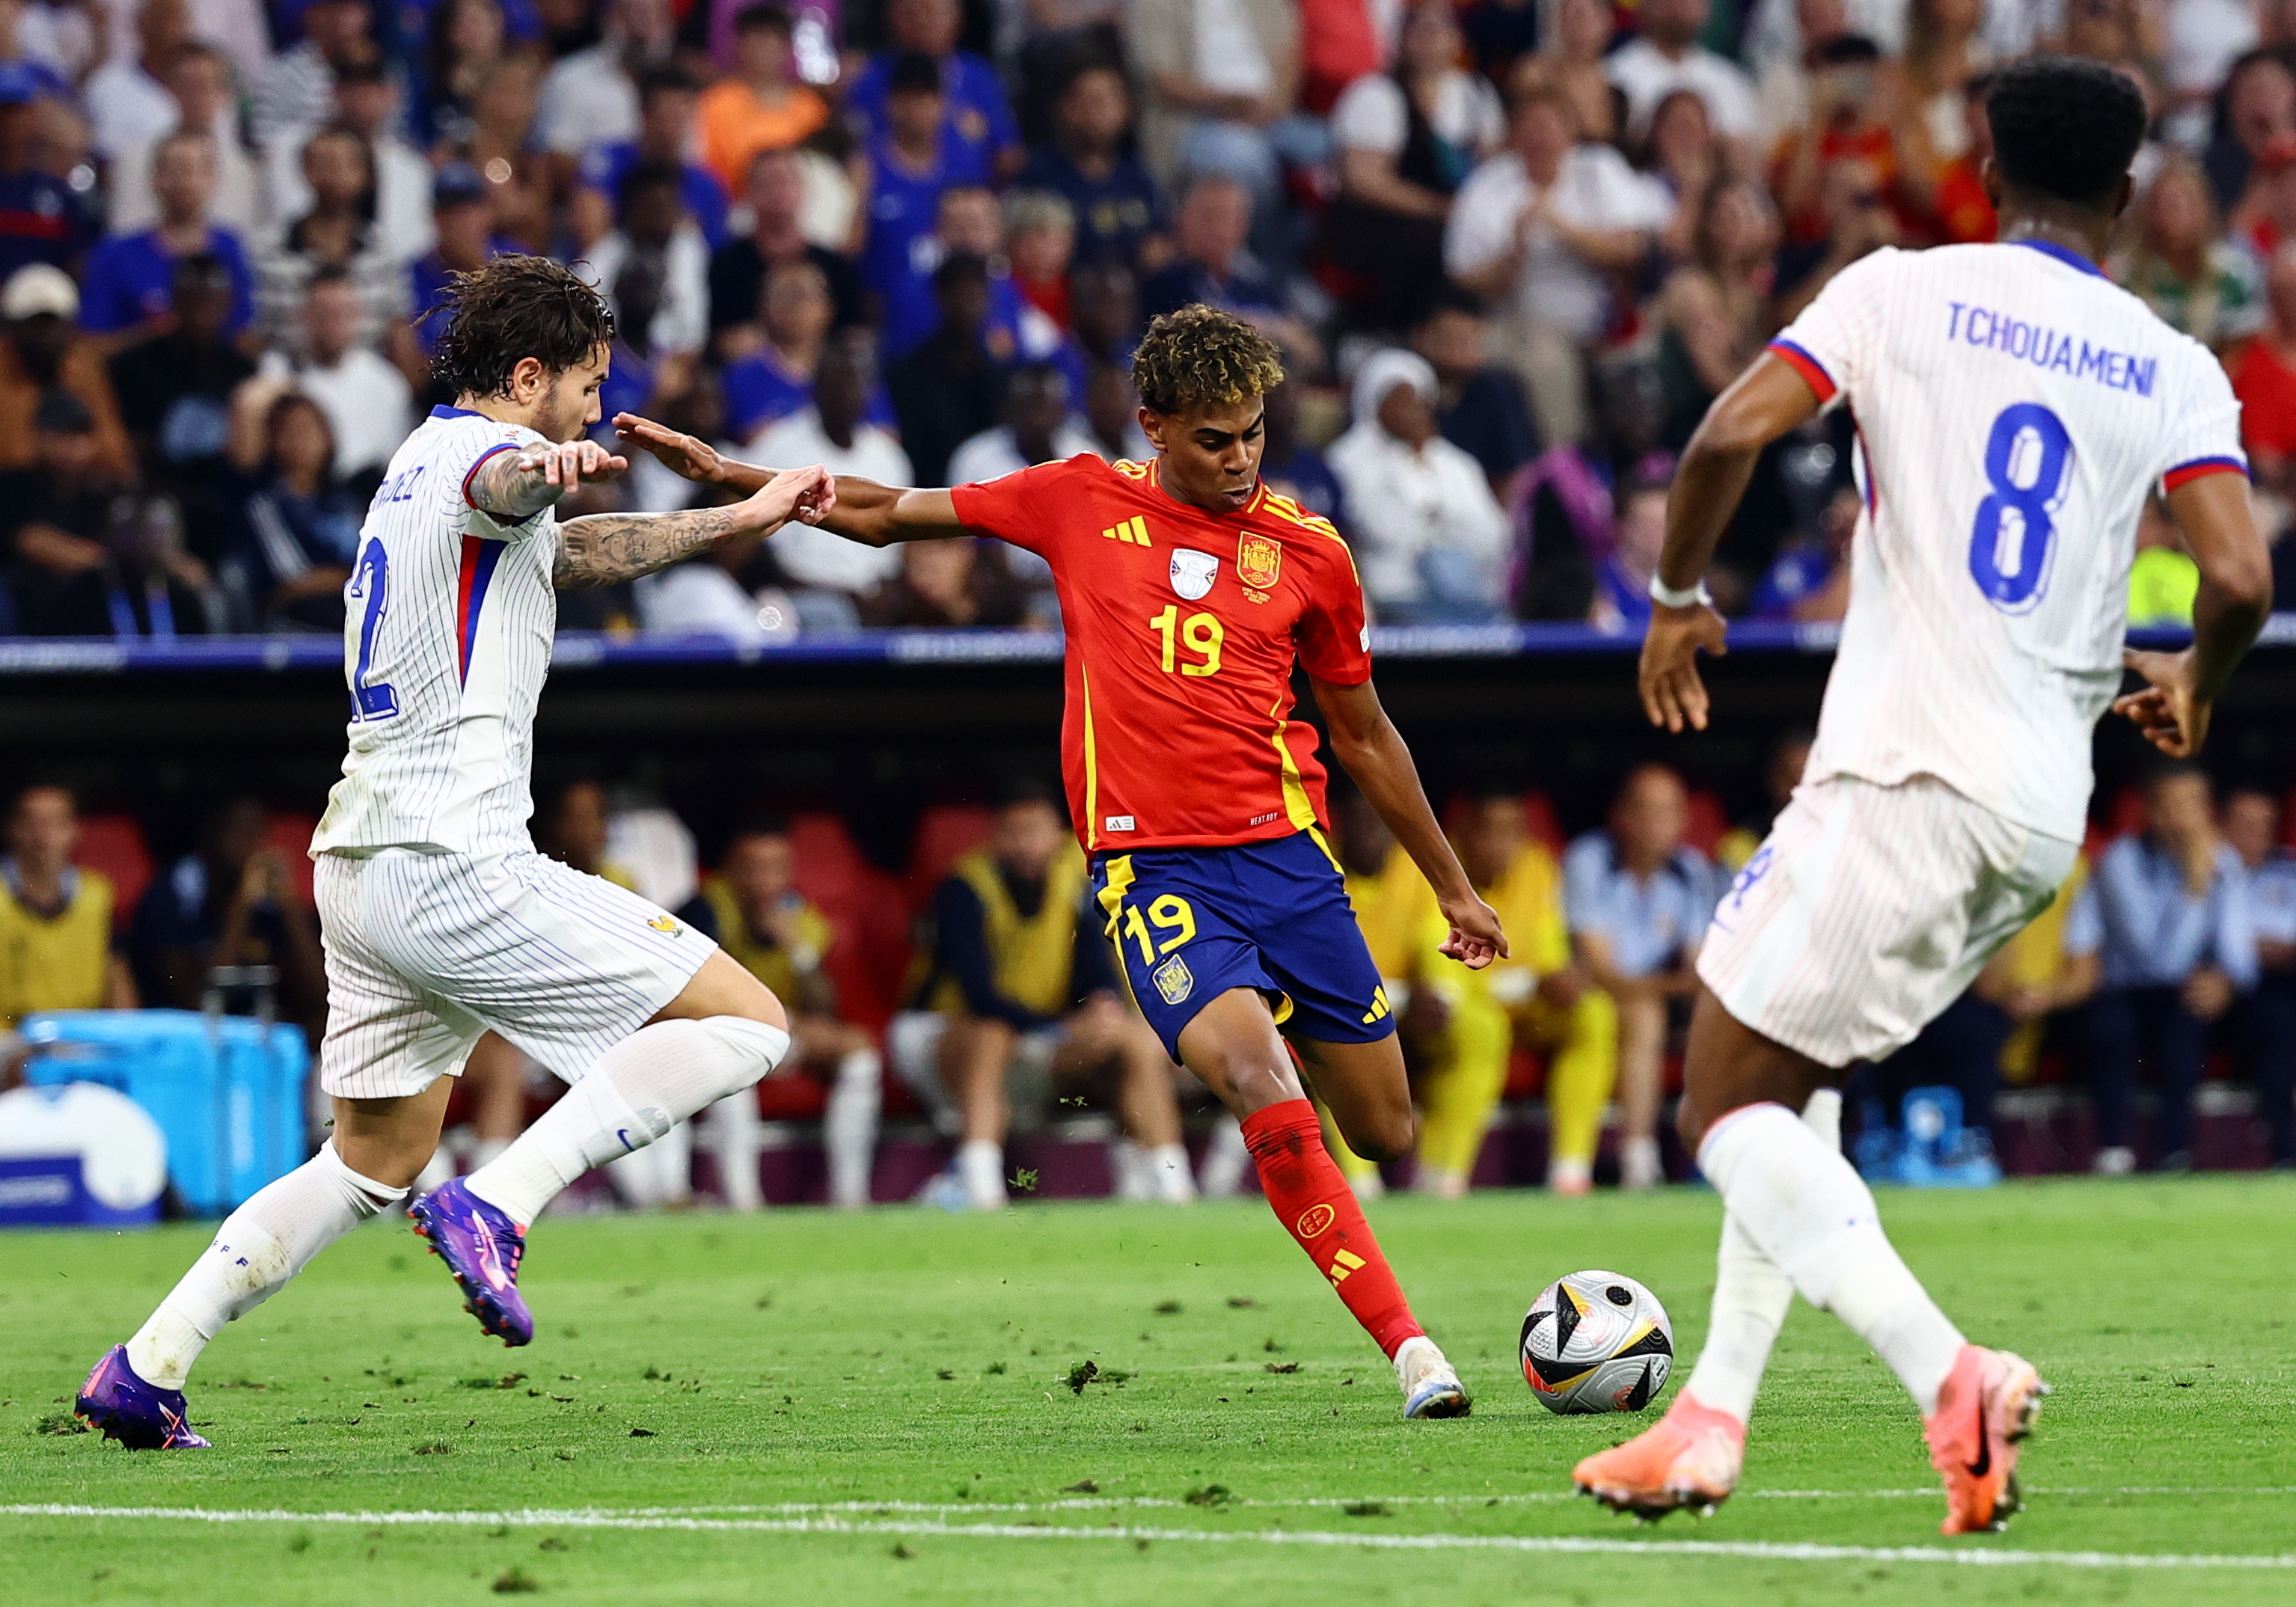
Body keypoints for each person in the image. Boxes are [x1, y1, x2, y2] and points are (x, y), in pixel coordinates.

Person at [1581, 58, 2274, 1533]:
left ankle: (1948, 1375)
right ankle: (1706, 1420)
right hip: (2036, 814)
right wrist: (2196, 682)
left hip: (1901, 769)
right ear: (2130, 196)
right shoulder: (2165, 359)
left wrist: (1674, 595)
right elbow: (2235, 577)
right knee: (1792, 1082)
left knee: (1718, 1097)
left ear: (1980, 161)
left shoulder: (1893, 287)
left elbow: (1720, 435)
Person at [617, 301, 1508, 1419]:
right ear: (1154, 426)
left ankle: (1281, 1059)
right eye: (1212, 440)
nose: (1239, 462)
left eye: (1253, 436)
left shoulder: (1313, 555)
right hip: (1161, 877)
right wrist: (736, 477)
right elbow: (889, 510)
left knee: (1384, 1132)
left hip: (1291, 861)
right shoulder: (1080, 498)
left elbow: (1366, 733)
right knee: (1257, 1082)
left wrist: (1453, 885)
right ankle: (1413, 1350)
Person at [74, 254, 836, 1450]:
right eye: (584, 386)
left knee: (374, 1157)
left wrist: (740, 516)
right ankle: (499, 1202)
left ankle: (148, 1363)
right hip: (455, 857)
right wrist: (549, 463)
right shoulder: (487, 464)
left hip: (364, 871)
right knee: (746, 1025)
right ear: (528, 375)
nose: (596, 408)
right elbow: (516, 481)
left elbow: (561, 549)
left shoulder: (412, 475)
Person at [899, 782, 1194, 1210]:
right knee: (991, 1033)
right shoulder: (964, 887)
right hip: (937, 1034)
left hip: (1034, 1034)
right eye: (1013, 832)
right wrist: (1059, 1026)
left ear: (1057, 833)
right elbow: (978, 996)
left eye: (1036, 831)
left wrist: (1101, 1007)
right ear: (995, 835)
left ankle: (1172, 1183)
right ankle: (980, 1182)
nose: (1026, 845)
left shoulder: (1073, 881)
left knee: (1131, 1039)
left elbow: (1094, 967)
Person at [1404, 791, 1614, 1198]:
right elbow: (1443, 971)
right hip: (1455, 1014)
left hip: (1520, 1007)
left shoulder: (1536, 869)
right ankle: (1442, 1178)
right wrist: (1524, 982)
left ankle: (1571, 1172)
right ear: (1463, 837)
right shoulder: (1439, 873)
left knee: (1594, 1014)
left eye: (1512, 834)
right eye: (1490, 833)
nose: (1502, 846)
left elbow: (1548, 956)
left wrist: (1560, 978)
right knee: (1481, 1027)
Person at [1445, 80, 1671, 450]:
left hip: (1607, 319)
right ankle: (1568, 470)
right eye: (1530, 127)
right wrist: (1514, 255)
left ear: (1570, 131)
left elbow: (1632, 248)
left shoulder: (1599, 168)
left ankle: (1648, 464)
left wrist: (1560, 226)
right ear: (1514, 135)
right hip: (1524, 323)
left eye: (1550, 126)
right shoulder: (1490, 185)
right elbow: (1462, 276)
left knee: (1642, 361)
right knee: (1547, 363)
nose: (1540, 137)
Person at [2072, 763, 2258, 1175]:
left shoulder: (2223, 861)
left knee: (2191, 1016)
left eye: (2192, 804)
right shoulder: (2120, 861)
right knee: (2112, 1028)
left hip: (2187, 996)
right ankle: (2114, 1149)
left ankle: (2177, 1151)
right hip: (2127, 991)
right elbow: (2154, 959)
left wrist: (2224, 980)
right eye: (2172, 804)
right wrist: (2194, 887)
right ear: (2150, 811)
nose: (2183, 816)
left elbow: (2241, 955)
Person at [694, 818, 884, 1208]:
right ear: (732, 869)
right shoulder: (705, 909)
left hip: (781, 1033)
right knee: (730, 1066)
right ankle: (743, 1203)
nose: (766, 880)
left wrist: (797, 950)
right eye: (753, 868)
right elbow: (693, 1000)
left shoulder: (799, 914)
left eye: (776, 868)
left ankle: (851, 1199)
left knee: (859, 1053)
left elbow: (824, 1006)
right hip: (719, 1036)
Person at [1563, 763, 1718, 1190]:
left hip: (1661, 996)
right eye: (1646, 811)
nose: (1657, 824)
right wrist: (1671, 988)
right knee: (1645, 1014)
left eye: (1669, 812)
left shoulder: (1692, 869)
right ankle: (1639, 1160)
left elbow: (1702, 969)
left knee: (1724, 1012)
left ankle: (1721, 1157)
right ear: (1621, 815)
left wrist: (1684, 988)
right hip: (1593, 998)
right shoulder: (1588, 860)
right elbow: (1599, 971)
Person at [1323, 0, 1504, 331]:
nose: (1432, 38)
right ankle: (1389, 330)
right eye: (1423, 29)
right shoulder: (1377, 95)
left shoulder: (1477, 96)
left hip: (1453, 216)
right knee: (1429, 243)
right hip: (1378, 221)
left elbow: (1493, 167)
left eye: (1441, 29)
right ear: (1403, 39)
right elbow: (1365, 182)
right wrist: (1439, 209)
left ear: (1457, 39)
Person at [1326, 348, 1510, 622]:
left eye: (1420, 404)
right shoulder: (1347, 460)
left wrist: (1440, 520)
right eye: (1402, 403)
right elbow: (1379, 530)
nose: (1413, 413)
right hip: (1397, 595)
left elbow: (1495, 533)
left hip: (1470, 591)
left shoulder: (1454, 462)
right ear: (1375, 404)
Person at [126, 794, 325, 1023]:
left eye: (259, 832)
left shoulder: (270, 898)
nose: (253, 845)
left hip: (257, 1027)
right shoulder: (171, 894)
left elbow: (319, 996)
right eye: (240, 831)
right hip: (189, 1032)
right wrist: (243, 904)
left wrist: (290, 905)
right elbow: (199, 1001)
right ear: (209, 835)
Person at [750, 331, 910, 613]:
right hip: (795, 597)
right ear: (817, 387)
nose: (847, 393)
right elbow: (758, 546)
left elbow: (893, 559)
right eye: (838, 384)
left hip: (869, 601)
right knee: (830, 614)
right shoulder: (776, 447)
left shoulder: (889, 458)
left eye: (855, 384)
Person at [260, 267, 415, 490]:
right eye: (323, 312)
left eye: (342, 312)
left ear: (358, 316)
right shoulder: (278, 376)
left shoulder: (386, 382)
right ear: (304, 316)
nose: (333, 322)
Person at [220, 385, 361, 629]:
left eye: (310, 429)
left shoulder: (346, 500)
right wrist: (348, 577)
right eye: (292, 431)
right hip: (296, 621)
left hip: (352, 609)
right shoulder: (263, 508)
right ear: (274, 441)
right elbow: (292, 581)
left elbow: (374, 567)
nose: (302, 440)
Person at [708, 147, 863, 362]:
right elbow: (719, 339)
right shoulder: (726, 266)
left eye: (785, 181)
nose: (777, 191)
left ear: (803, 191)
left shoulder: (836, 267)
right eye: (767, 183)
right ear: (749, 194)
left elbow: (854, 337)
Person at [0, 783, 138, 1026]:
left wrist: (126, 1034)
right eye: (31, 823)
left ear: (75, 831)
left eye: (55, 822)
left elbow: (116, 975)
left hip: (81, 1035)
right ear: (10, 829)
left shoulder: (98, 895)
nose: (43, 835)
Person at [1015, 62, 1163, 270]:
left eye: (1109, 100)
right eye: (1092, 100)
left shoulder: (1137, 175)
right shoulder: (1040, 177)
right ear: (1066, 108)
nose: (1101, 111)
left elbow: (1161, 239)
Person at [105, 41, 260, 239]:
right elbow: (125, 231)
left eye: (206, 85)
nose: (196, 96)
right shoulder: (134, 158)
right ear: (170, 91)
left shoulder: (242, 167)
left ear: (225, 94)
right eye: (186, 85)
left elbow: (243, 239)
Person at [885, 253, 1005, 487]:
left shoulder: (999, 374)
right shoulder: (909, 374)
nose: (970, 304)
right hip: (931, 497)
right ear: (941, 296)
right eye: (962, 293)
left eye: (977, 294)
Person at [2224, 786, 2296, 1167]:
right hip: (2218, 987)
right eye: (2244, 825)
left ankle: (2283, 1152)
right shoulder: (2209, 868)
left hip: (2277, 986)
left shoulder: (2289, 871)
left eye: (2263, 826)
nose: (2255, 835)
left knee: (2280, 1021)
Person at [692, 4, 827, 200]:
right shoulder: (713, 104)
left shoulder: (812, 109)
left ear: (788, 47)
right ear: (738, 44)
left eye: (772, 38)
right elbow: (704, 169)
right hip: (734, 207)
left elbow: (819, 173)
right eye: (756, 38)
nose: (764, 47)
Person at [1412, 285, 1538, 492]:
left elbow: (1516, 473)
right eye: (1449, 340)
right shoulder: (1398, 387)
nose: (1458, 353)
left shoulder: (1498, 388)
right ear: (1422, 335)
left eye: (1467, 341)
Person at [945, 360, 1095, 486]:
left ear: (1062, 412)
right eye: (1029, 406)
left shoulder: (1084, 455)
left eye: (1045, 406)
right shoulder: (975, 458)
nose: (1037, 418)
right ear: (1010, 410)